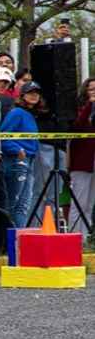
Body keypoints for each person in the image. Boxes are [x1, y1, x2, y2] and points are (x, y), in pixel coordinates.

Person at [1, 81, 43, 227]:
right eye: (30, 93)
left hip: (29, 160)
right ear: (23, 95)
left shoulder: (30, 114)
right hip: (17, 161)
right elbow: (3, 137)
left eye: (37, 93)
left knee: (23, 204)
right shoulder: (17, 113)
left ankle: (19, 236)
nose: (34, 95)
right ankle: (8, 236)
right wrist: (17, 150)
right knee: (14, 202)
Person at [67, 78, 95, 233]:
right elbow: (77, 126)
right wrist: (90, 105)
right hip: (81, 162)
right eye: (91, 89)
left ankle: (85, 236)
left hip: (93, 161)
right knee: (79, 202)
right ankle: (75, 235)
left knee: (90, 204)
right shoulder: (78, 108)